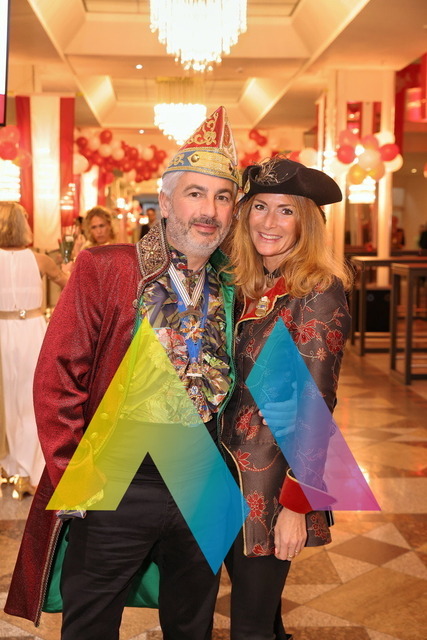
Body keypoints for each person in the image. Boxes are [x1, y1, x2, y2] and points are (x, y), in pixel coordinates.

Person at [5, 106, 240, 640]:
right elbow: (57, 376)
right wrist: (76, 474)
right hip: (118, 480)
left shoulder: (232, 284)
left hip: (200, 477)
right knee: (90, 623)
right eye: (196, 193)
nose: (210, 210)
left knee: (193, 624)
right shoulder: (108, 267)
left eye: (223, 197)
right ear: (166, 201)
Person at [221, 157, 352, 640]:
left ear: (306, 222)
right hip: (225, 473)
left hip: (272, 485)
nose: (269, 222)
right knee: (263, 616)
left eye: (286, 210)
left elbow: (316, 406)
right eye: (260, 207)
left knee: (249, 625)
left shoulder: (318, 290)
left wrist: (296, 505)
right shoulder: (247, 285)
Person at [0, 202, 69, 499]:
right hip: (32, 331)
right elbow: (71, 287)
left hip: (2, 331)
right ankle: (28, 472)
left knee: (6, 402)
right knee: (33, 400)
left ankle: (8, 467)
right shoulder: (40, 260)